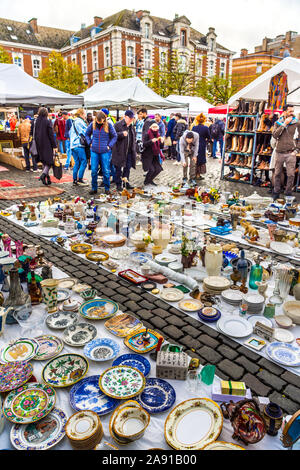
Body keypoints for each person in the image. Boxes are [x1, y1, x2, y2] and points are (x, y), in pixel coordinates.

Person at [85, 111, 117, 195]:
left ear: (104, 119)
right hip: (94, 151)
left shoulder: (109, 125)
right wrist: (90, 143)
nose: (99, 122)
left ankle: (107, 188)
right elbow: (86, 134)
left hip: (105, 151)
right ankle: (94, 188)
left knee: (106, 171)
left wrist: (109, 146)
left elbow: (115, 136)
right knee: (93, 171)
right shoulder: (92, 124)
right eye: (98, 121)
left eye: (101, 121)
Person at [272, 104, 300, 199]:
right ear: (284, 112)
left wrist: (297, 150)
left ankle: (288, 193)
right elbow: (275, 135)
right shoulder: (278, 123)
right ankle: (276, 192)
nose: (292, 113)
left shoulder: (297, 123)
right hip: (279, 152)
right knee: (277, 173)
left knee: (291, 174)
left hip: (291, 152)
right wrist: (284, 124)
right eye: (290, 111)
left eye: (293, 111)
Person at [112, 110, 136, 191]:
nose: (131, 120)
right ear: (125, 117)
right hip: (119, 151)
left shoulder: (131, 126)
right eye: (130, 118)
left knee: (128, 168)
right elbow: (112, 136)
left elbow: (133, 138)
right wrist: (121, 134)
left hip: (129, 151)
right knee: (118, 168)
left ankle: (126, 182)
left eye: (132, 118)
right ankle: (118, 184)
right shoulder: (117, 125)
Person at [31, 107, 57, 185]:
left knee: (44, 161)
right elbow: (51, 135)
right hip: (47, 144)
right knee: (49, 161)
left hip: (38, 144)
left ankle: (47, 179)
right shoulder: (47, 121)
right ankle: (43, 175)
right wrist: (54, 146)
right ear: (46, 113)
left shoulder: (35, 121)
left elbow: (32, 132)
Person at [69, 108, 88, 186]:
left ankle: (74, 180)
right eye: (84, 114)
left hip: (73, 145)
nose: (85, 116)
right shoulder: (80, 122)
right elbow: (85, 132)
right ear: (81, 114)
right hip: (79, 144)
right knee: (84, 161)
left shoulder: (74, 122)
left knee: (77, 162)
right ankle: (80, 179)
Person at [142, 120, 164, 187]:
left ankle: (150, 180)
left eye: (156, 127)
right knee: (151, 169)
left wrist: (162, 142)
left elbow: (160, 147)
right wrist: (151, 141)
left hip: (155, 155)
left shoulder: (158, 135)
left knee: (158, 169)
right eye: (153, 127)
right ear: (151, 127)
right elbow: (144, 144)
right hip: (147, 156)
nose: (155, 128)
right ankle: (146, 181)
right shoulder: (147, 134)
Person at [192, 113, 211, 180]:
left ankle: (194, 174)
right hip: (202, 145)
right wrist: (206, 140)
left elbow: (191, 136)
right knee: (200, 160)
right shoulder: (205, 128)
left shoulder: (194, 127)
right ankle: (198, 175)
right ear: (204, 120)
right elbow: (209, 137)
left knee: (195, 158)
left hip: (194, 145)